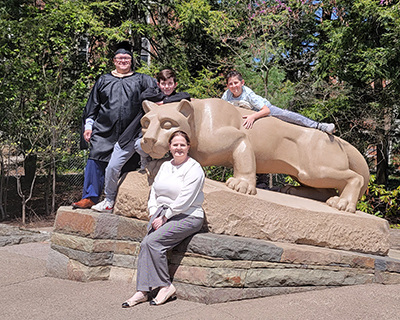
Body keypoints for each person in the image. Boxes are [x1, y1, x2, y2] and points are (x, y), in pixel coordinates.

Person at [122, 130, 205, 308]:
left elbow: (186, 198)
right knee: (146, 244)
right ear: (170, 147)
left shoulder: (194, 168)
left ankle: (165, 286)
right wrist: (154, 212)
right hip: (161, 213)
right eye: (175, 144)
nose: (179, 148)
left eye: (183, 144)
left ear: (188, 147)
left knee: (153, 242)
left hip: (188, 215)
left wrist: (165, 216)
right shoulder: (166, 166)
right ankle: (142, 290)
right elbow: (154, 191)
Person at [91, 69, 191, 213]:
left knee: (141, 146)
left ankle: (146, 161)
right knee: (112, 167)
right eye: (163, 84)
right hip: (130, 136)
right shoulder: (151, 94)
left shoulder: (178, 99)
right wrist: (162, 100)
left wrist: (164, 102)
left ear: (175, 84)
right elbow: (145, 96)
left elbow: (186, 96)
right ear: (158, 84)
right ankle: (109, 200)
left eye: (170, 84)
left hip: (148, 140)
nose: (167, 87)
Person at [72, 44, 157, 209]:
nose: (123, 61)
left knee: (128, 165)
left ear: (131, 61)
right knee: (95, 159)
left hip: (131, 131)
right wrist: (88, 127)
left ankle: (119, 199)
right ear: (114, 61)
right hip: (104, 130)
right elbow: (92, 106)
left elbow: (157, 96)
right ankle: (90, 197)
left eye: (126, 58)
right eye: (120, 58)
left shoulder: (142, 80)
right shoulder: (103, 80)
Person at [221, 70, 335, 133]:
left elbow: (266, 110)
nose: (233, 86)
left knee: (286, 115)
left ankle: (319, 126)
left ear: (242, 83)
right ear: (227, 86)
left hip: (262, 109)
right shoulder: (226, 95)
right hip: (250, 115)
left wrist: (253, 117)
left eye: (236, 83)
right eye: (230, 84)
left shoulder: (248, 93)